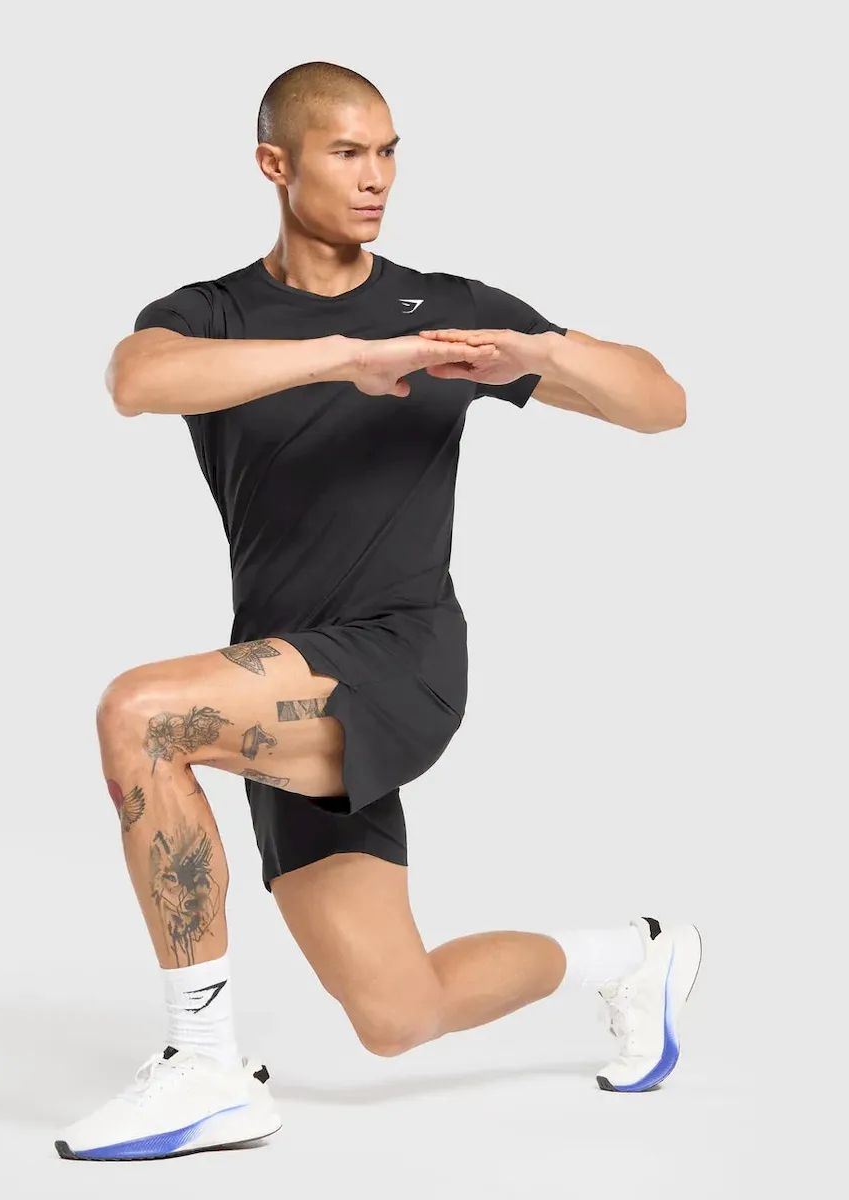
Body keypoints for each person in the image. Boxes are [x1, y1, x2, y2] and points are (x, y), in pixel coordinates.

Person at [55, 61, 698, 1163]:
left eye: (389, 151)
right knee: (398, 1012)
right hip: (280, 676)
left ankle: (205, 1065)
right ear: (275, 164)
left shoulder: (442, 308)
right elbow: (137, 380)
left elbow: (663, 405)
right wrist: (347, 359)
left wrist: (542, 352)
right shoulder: (215, 314)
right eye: (347, 152)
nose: (377, 177)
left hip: (398, 658)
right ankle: (634, 956)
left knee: (140, 715)